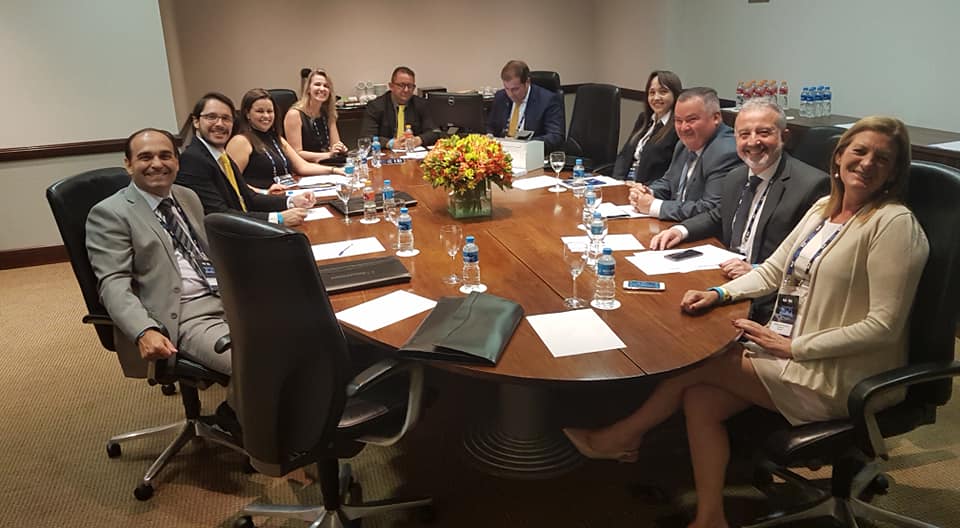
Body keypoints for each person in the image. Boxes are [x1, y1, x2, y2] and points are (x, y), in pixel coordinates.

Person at [564, 116, 929, 528]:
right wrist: (719, 293)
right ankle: (710, 517)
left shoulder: (894, 225)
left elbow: (883, 325)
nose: (867, 163)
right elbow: (772, 271)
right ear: (840, 156)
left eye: (882, 158)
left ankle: (620, 436)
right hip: (794, 353)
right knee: (700, 399)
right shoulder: (822, 210)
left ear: (894, 172)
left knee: (702, 360)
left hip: (841, 376)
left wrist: (792, 347)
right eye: (859, 151)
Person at [649, 99, 830, 322]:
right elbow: (719, 215)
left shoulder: (811, 186)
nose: (752, 142)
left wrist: (756, 269)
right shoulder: (735, 177)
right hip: (725, 280)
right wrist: (680, 230)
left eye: (763, 132)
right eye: (744, 134)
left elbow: (811, 257)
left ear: (784, 136)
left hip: (768, 299)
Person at [86, 128, 232, 380]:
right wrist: (144, 330)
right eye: (145, 157)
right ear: (128, 164)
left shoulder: (187, 196)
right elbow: (113, 284)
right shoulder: (110, 214)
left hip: (227, 298)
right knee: (258, 362)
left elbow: (208, 251)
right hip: (183, 314)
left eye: (165, 156)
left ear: (177, 162)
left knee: (297, 335)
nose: (157, 164)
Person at [177, 92, 315, 227]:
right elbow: (220, 215)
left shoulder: (220, 155)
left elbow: (249, 197)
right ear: (196, 121)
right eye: (211, 117)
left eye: (226, 118)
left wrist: (291, 201)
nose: (220, 124)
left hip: (245, 225)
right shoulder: (193, 160)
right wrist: (278, 218)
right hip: (231, 235)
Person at [629, 87, 741, 221]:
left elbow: (710, 209)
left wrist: (654, 206)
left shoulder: (726, 151)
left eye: (691, 120)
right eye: (678, 120)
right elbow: (668, 182)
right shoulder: (683, 144)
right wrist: (647, 192)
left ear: (716, 118)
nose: (683, 128)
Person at [226, 88, 345, 192]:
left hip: (287, 195)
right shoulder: (240, 141)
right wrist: (264, 192)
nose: (266, 116)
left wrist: (335, 170)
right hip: (261, 201)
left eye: (270, 111)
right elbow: (231, 184)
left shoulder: (276, 138)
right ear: (247, 114)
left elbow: (302, 166)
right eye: (260, 111)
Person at [611, 70, 682, 183]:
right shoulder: (644, 118)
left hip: (649, 188)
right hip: (625, 184)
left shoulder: (677, 126)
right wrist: (617, 181)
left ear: (675, 94)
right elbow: (624, 156)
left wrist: (641, 188)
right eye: (652, 93)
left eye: (663, 92)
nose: (656, 98)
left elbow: (671, 172)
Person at [485, 60, 565, 153]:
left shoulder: (547, 100)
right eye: (507, 88)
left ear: (527, 82)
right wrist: (489, 135)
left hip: (532, 153)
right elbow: (491, 126)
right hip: (503, 153)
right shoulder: (501, 96)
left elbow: (556, 137)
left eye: (515, 89)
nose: (510, 94)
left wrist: (525, 144)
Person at [361, 66, 441, 150]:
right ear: (391, 86)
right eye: (401, 85)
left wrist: (418, 140)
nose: (406, 90)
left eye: (410, 86)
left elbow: (435, 132)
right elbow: (367, 137)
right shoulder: (375, 106)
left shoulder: (421, 104)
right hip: (386, 153)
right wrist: (390, 143)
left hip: (414, 152)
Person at [284, 68, 348, 163]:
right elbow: (296, 153)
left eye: (326, 86)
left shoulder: (329, 113)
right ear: (308, 89)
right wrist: (328, 154)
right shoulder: (294, 114)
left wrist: (341, 149)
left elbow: (335, 144)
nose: (322, 89)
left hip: (328, 163)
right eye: (317, 84)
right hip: (306, 166)